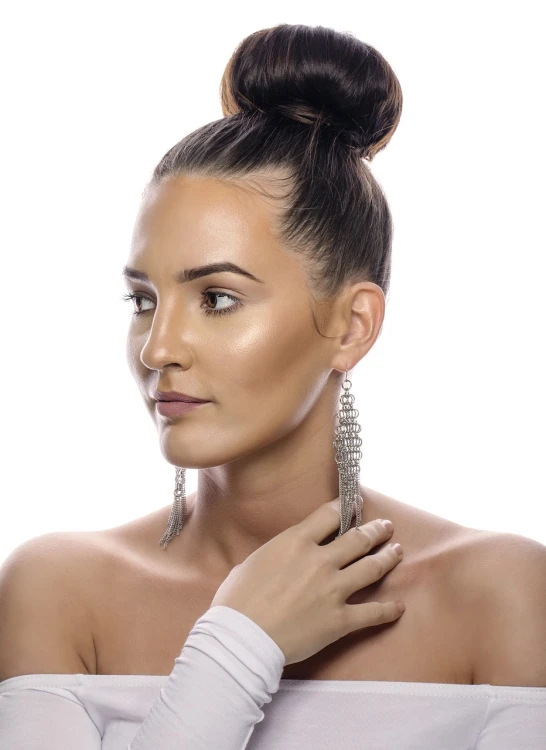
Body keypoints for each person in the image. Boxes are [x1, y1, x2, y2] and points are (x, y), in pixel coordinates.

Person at [1, 22, 545, 750]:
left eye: (218, 298)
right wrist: (239, 645)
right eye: (143, 300)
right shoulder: (60, 592)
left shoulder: (500, 596)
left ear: (353, 325)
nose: (158, 348)